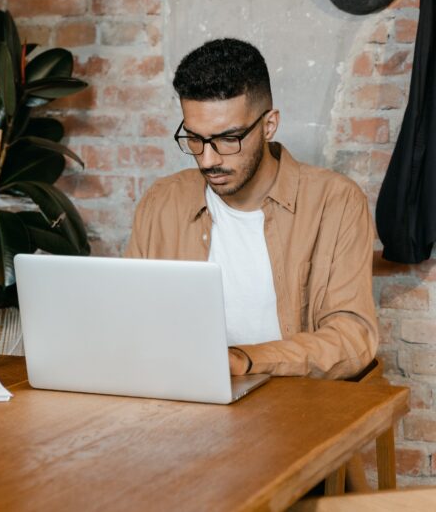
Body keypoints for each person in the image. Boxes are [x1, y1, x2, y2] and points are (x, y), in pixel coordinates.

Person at [125, 38, 378, 379]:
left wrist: (246, 360)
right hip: (185, 399)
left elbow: (353, 339)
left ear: (269, 125)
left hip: (294, 407)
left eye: (229, 138)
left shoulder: (336, 203)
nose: (208, 159)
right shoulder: (162, 202)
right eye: (195, 138)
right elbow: (131, 316)